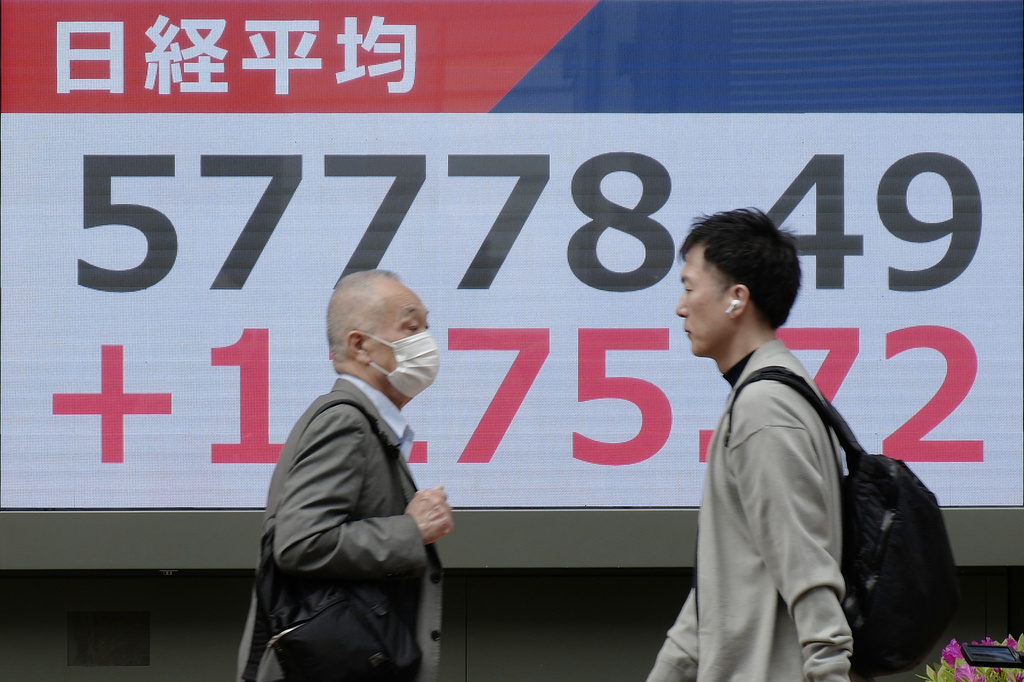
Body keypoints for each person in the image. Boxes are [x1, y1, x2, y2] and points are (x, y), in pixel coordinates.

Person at [647, 209, 862, 682]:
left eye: (688, 286)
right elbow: (715, 590)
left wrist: (830, 671)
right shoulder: (772, 390)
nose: (680, 307)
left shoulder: (765, 408)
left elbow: (807, 567)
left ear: (736, 299)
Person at [237, 269, 454, 682]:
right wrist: (411, 531)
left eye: (426, 327)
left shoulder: (364, 424)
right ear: (360, 345)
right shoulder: (347, 423)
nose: (425, 342)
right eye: (410, 327)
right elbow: (301, 542)